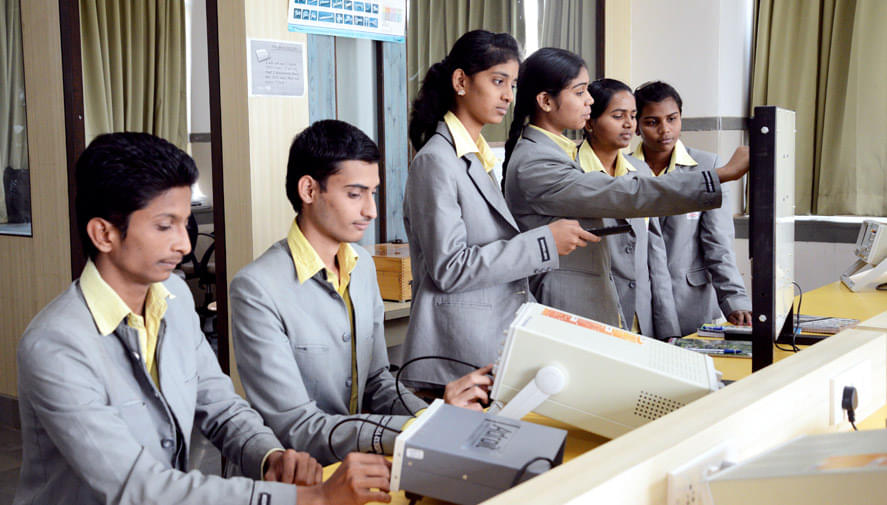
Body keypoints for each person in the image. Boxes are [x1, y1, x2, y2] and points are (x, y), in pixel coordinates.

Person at [14, 132, 391, 505]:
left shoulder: (174, 300)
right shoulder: (56, 345)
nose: (184, 244)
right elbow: (136, 487)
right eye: (165, 226)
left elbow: (223, 409)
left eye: (185, 223)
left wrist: (269, 458)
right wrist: (314, 498)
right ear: (104, 234)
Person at [230, 119, 492, 467]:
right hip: (298, 479)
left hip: (356, 464)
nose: (371, 210)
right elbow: (297, 427)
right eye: (355, 194)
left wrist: (436, 415)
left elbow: (378, 383)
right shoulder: (256, 289)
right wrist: (426, 427)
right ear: (309, 191)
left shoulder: (362, 266)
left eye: (373, 193)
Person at [502, 48, 749, 337]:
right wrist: (722, 175)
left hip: (623, 314)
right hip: (573, 315)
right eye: (580, 92)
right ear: (545, 101)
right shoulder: (537, 161)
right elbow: (623, 193)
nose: (589, 101)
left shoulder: (557, 153)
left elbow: (654, 253)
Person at [400, 30, 597, 390]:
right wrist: (544, 243)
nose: (508, 95)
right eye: (497, 81)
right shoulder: (436, 161)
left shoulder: (478, 156)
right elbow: (450, 269)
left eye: (513, 84)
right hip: (454, 358)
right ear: (461, 81)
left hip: (489, 346)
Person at [633, 80, 751, 335]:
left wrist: (735, 299)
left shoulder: (708, 167)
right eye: (652, 122)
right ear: (637, 126)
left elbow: (718, 243)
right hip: (641, 301)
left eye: (672, 119)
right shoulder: (625, 170)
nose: (665, 129)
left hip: (691, 299)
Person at [576, 78, 678, 337]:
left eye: (632, 116)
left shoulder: (641, 170)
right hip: (590, 316)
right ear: (589, 122)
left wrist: (669, 328)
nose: (629, 124)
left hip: (640, 318)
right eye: (617, 116)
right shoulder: (570, 170)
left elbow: (656, 255)